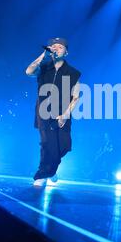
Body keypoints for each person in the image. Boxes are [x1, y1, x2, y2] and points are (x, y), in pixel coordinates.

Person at [25, 38, 81, 187]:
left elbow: (76, 97)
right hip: (43, 111)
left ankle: (51, 170)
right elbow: (28, 71)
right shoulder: (43, 67)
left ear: (66, 52)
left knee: (63, 146)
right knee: (46, 143)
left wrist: (65, 115)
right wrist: (42, 56)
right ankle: (42, 174)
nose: (56, 49)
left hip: (63, 112)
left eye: (60, 47)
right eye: (53, 47)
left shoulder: (73, 73)